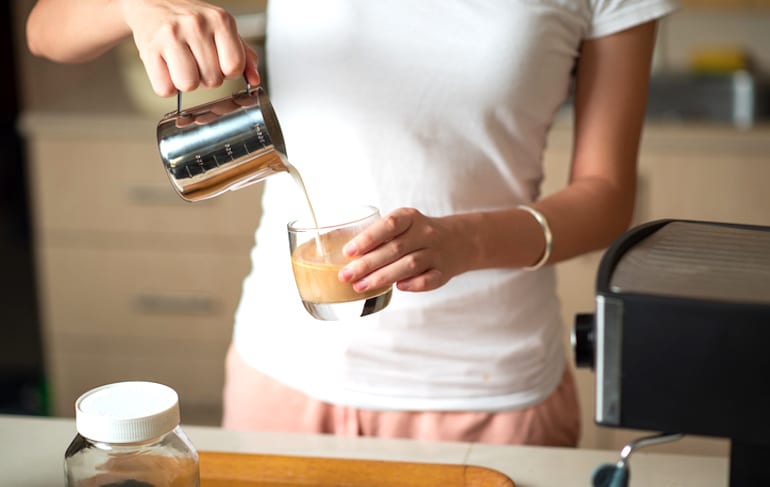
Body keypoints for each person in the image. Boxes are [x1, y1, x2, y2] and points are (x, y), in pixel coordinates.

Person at [27, 0, 678, 446]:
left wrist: (464, 241)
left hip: (490, 393)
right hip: (283, 381)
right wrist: (137, 7)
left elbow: (607, 194)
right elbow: (47, 28)